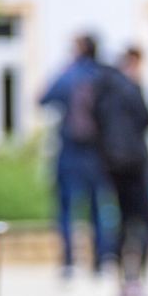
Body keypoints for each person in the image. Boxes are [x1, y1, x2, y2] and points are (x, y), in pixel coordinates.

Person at [40, 34, 108, 278]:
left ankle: (69, 261)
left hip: (70, 149)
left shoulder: (69, 75)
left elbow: (43, 98)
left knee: (67, 208)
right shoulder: (103, 75)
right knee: (97, 206)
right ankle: (100, 260)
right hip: (97, 151)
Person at [94, 47, 148, 296]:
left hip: (111, 164)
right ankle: (137, 279)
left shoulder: (104, 90)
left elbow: (96, 123)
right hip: (135, 164)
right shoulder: (131, 88)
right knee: (141, 221)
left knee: (118, 221)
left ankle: (121, 280)